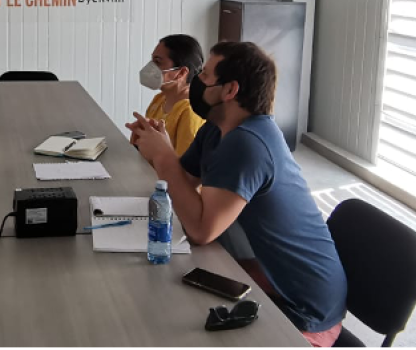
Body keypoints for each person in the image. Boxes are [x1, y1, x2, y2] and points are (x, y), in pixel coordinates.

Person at [127, 41, 346, 348]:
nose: (197, 82)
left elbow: (202, 229)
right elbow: (185, 185)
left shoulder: (247, 142)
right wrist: (160, 145)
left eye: (205, 77)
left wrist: (164, 159)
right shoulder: (216, 130)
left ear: (229, 90)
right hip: (262, 277)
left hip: (302, 313)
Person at [135, 34, 205, 157]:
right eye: (152, 60)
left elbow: (183, 167)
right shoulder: (160, 99)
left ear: (182, 72)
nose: (150, 67)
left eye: (158, 62)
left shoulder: (190, 111)